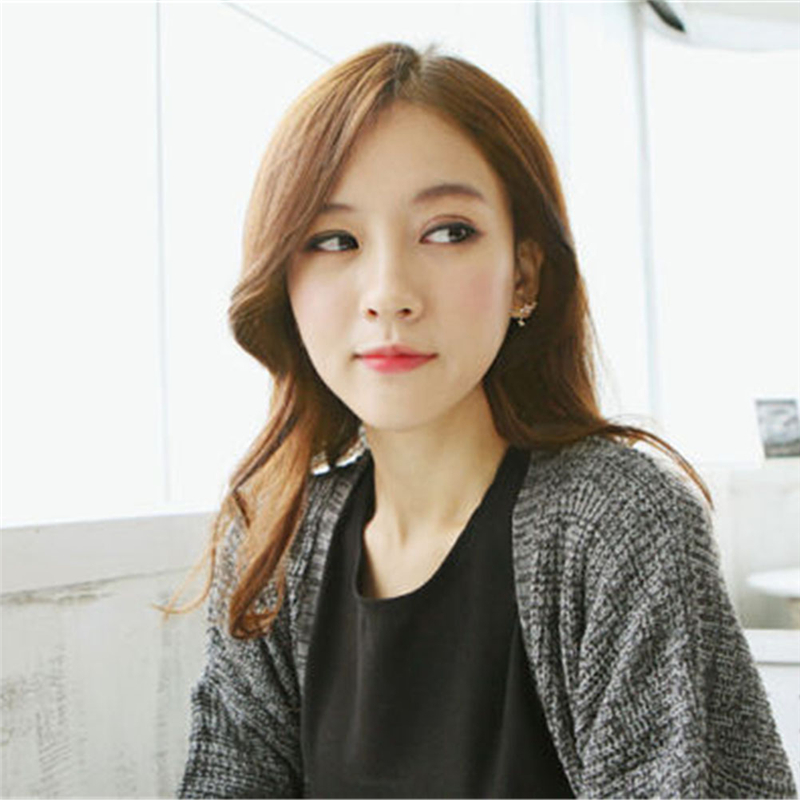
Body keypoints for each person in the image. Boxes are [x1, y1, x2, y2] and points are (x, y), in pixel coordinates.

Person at [173, 41, 796, 799]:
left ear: (523, 274)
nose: (389, 293)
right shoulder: (272, 537)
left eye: (447, 231)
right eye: (335, 240)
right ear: (285, 282)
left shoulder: (617, 522)